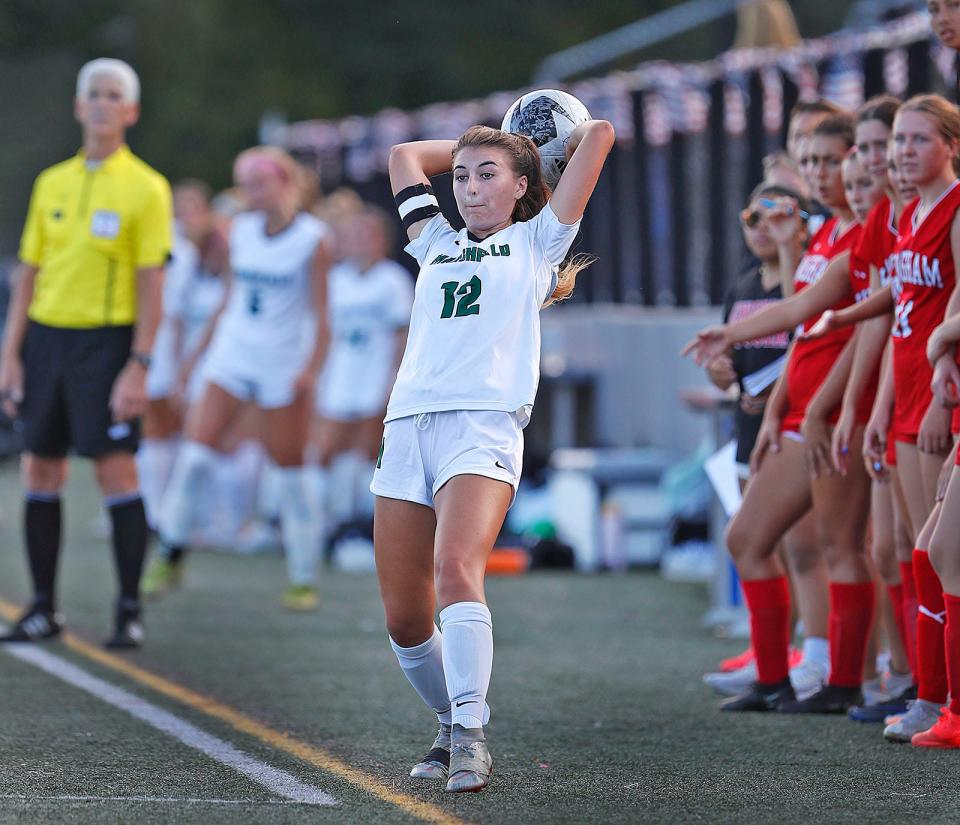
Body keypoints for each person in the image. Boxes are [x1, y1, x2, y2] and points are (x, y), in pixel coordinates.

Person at [376, 119, 614, 792]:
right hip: (408, 425)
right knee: (403, 614)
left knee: (456, 567)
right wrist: (480, 142)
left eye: (487, 175)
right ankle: (450, 722)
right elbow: (401, 155)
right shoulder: (433, 241)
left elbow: (597, 134)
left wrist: (528, 137)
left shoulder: (538, 241)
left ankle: (472, 738)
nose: (470, 187)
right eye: (460, 175)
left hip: (481, 427)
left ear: (521, 187)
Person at [684, 114, 883, 713]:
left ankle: (857, 680)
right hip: (803, 412)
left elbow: (852, 330)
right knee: (750, 538)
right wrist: (738, 345)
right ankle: (779, 677)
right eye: (814, 162)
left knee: (856, 548)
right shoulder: (829, 237)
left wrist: (825, 407)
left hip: (841, 411)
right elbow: (802, 315)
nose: (823, 175)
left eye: (834, 161)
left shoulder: (863, 235)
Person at [0, 58, 172, 647]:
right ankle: (43, 607)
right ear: (78, 106)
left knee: (115, 472)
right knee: (39, 467)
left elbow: (153, 284)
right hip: (46, 340)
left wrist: (139, 364)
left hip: (107, 345)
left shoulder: (148, 188)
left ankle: (128, 610)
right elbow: (29, 272)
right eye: (92, 94)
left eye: (113, 96)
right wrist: (11, 355)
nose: (101, 104)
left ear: (131, 111)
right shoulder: (51, 181)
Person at [152, 146, 332, 611]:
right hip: (233, 353)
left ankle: (303, 576)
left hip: (281, 363)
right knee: (194, 458)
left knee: (291, 473)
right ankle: (170, 552)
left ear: (284, 184)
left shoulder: (314, 239)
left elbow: (322, 314)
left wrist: (310, 370)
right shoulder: (240, 232)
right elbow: (228, 297)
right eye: (244, 184)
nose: (249, 193)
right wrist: (194, 357)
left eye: (257, 183)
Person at [701, 183, 829, 702]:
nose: (761, 228)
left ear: (801, 223)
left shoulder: (804, 281)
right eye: (752, 216)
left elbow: (807, 341)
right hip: (749, 429)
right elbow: (727, 364)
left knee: (804, 549)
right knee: (756, 545)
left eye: (775, 216)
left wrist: (772, 393)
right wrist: (721, 373)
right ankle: (771, 656)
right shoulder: (744, 283)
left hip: (792, 424)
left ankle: (816, 658)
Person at [310, 204, 413, 543]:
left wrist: (393, 381)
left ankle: (366, 529)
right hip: (339, 377)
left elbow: (402, 336)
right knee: (324, 451)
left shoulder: (393, 281)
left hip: (375, 378)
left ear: (383, 240)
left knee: (369, 453)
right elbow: (322, 332)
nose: (359, 242)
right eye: (353, 235)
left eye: (367, 235)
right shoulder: (335, 280)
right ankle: (318, 524)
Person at [138, 180, 228, 531]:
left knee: (185, 430)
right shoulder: (174, 247)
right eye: (180, 207)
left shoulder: (204, 251)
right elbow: (171, 313)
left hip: (191, 352)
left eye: (192, 207)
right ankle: (156, 510)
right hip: (164, 347)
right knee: (159, 426)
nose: (184, 215)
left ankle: (179, 512)